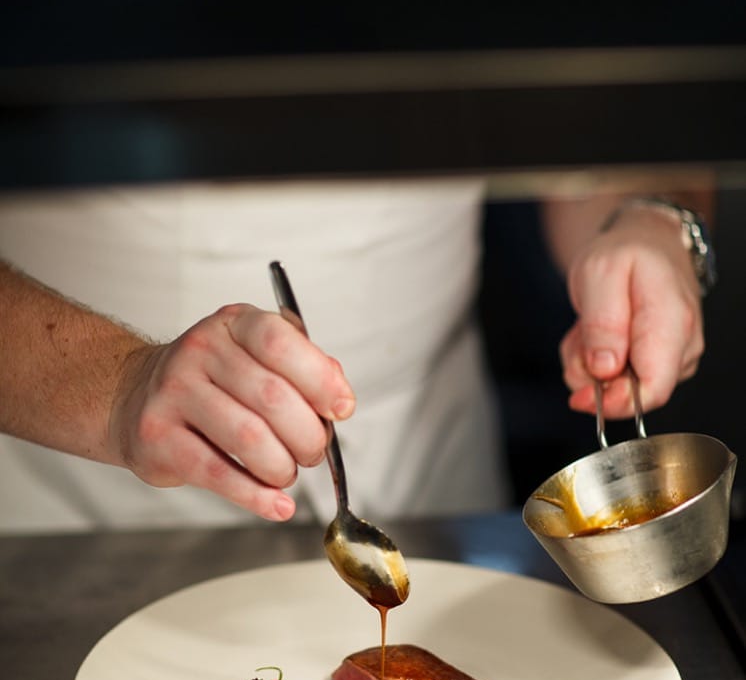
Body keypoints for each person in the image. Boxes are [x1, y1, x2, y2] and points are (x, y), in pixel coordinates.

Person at [0, 178, 712, 532]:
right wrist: (119, 389)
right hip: (78, 500)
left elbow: (592, 84)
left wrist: (646, 219)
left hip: (431, 470)